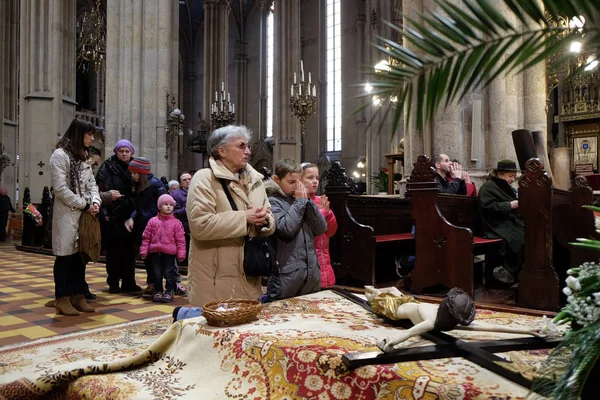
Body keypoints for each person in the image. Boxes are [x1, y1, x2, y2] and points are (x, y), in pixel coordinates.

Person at [186, 125, 275, 307]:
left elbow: (270, 217)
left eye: (248, 146)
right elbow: (200, 225)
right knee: (214, 332)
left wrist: (264, 221)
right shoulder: (205, 178)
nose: (248, 151)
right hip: (214, 280)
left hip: (249, 277)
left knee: (246, 332)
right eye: (241, 146)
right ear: (222, 151)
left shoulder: (256, 182)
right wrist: (245, 218)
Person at [364, 286, 555, 353]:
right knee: (377, 295)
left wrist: (528, 330)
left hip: (403, 305)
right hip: (398, 307)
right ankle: (373, 291)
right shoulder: (433, 321)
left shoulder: (436, 321)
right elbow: (408, 333)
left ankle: (374, 290)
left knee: (386, 293)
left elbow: (489, 327)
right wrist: (391, 341)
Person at [49, 118, 100, 316]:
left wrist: (96, 202)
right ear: (79, 134)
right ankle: (61, 298)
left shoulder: (83, 157)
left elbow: (92, 184)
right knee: (65, 257)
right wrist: (85, 205)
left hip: (84, 215)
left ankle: (78, 296)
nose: (92, 138)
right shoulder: (60, 155)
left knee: (80, 257)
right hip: (68, 214)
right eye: (89, 134)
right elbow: (60, 189)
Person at [263, 159, 327, 301]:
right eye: (291, 182)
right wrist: (300, 202)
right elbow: (286, 229)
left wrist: (308, 203)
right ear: (277, 180)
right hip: (286, 276)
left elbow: (321, 228)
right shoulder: (272, 201)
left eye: (299, 182)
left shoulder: (302, 200)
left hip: (310, 273)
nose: (296, 187)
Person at [96, 139, 139, 294]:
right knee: (114, 252)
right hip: (113, 215)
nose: (124, 154)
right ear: (116, 152)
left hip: (131, 214)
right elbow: (99, 190)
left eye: (127, 151)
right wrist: (104, 214)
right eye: (121, 151)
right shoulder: (106, 167)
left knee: (130, 250)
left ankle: (129, 281)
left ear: (131, 153)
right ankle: (113, 282)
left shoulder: (136, 166)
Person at [125, 157, 167, 298]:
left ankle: (157, 285)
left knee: (156, 258)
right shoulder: (138, 186)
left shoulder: (156, 184)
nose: (132, 176)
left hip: (155, 227)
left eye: (134, 173)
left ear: (141, 173)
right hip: (142, 227)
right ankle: (151, 283)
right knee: (147, 258)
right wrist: (132, 217)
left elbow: (165, 205)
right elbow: (139, 207)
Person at [478, 159, 524, 285]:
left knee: (527, 232)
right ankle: (507, 271)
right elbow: (487, 207)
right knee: (518, 237)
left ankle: (517, 272)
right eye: (510, 176)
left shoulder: (509, 188)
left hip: (507, 221)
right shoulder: (488, 187)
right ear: (500, 174)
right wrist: (510, 205)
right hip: (494, 223)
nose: (512, 179)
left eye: (514, 176)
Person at [139, 194, 186, 303]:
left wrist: (181, 253)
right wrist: (144, 250)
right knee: (157, 273)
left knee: (170, 273)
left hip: (169, 254)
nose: (169, 207)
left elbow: (180, 240)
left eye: (171, 205)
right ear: (159, 206)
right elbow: (146, 238)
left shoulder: (176, 223)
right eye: (165, 204)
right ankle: (158, 290)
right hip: (155, 252)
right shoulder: (153, 221)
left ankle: (169, 291)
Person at [301, 162, 338, 288]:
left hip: (324, 259)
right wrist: (322, 213)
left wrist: (329, 215)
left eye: (317, 178)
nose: (315, 181)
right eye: (310, 178)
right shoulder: (298, 202)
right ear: (299, 179)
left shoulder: (320, 201)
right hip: (308, 264)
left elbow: (331, 232)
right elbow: (309, 231)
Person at [171, 171, 193, 294]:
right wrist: (188, 208)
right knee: (178, 258)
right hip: (182, 229)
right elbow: (173, 212)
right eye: (184, 179)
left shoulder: (198, 191)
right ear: (180, 182)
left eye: (189, 179)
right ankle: (177, 283)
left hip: (196, 228)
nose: (187, 181)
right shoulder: (176, 194)